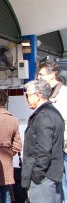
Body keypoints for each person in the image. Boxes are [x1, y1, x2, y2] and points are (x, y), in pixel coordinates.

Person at [21, 79, 64, 203]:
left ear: (38, 96)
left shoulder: (44, 116)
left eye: (28, 95)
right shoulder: (52, 113)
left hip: (44, 178)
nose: (26, 99)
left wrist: (36, 175)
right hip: (47, 176)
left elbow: (44, 150)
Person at [38, 59, 67, 202]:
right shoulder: (48, 95)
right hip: (52, 151)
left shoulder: (63, 95)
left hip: (63, 152)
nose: (38, 77)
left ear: (52, 75)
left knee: (64, 191)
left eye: (41, 74)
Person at [0, 89, 22, 203]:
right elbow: (18, 145)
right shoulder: (13, 120)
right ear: (5, 102)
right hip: (6, 163)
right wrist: (8, 152)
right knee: (6, 193)